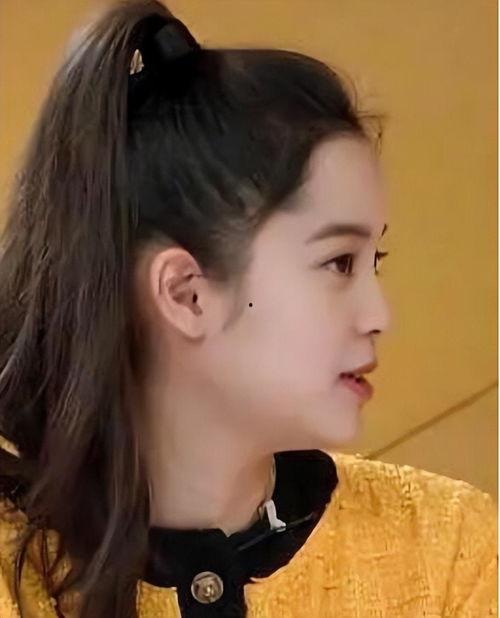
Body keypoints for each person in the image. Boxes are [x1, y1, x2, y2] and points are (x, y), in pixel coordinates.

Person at [0, 0, 496, 616]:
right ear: (186, 293)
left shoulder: (453, 550)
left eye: (377, 261)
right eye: (339, 262)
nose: (380, 316)